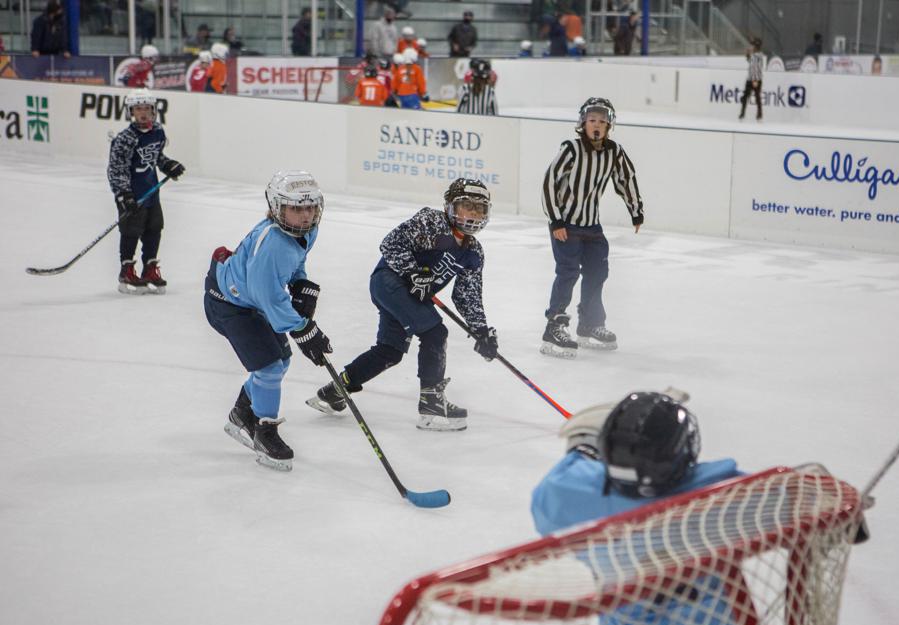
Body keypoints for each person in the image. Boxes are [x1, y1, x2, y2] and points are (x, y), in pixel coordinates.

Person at [531, 391, 748, 625]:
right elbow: (794, 498)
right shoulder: (721, 495)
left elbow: (567, 477)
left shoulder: (572, 499)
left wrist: (583, 443)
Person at [306, 179, 498, 432]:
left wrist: (481, 330)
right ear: (450, 206)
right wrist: (413, 272)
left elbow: (467, 296)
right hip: (389, 282)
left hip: (409, 296)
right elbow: (392, 243)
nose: (473, 213)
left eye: (479, 208)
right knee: (435, 332)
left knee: (390, 351)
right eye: (466, 205)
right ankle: (431, 402)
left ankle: (334, 391)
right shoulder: (432, 222)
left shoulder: (474, 253)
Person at [205, 170, 333, 471]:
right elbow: (269, 298)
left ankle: (241, 414)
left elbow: (295, 263)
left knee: (281, 362)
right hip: (230, 304)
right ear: (277, 207)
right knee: (269, 367)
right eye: (296, 208)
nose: (305, 215)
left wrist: (300, 283)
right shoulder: (272, 243)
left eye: (310, 207)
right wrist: (304, 330)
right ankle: (265, 430)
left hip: (249, 299)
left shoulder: (305, 232)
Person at [540, 97, 643, 359]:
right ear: (582, 123)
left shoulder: (614, 151)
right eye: (591, 120)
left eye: (602, 121)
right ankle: (555, 325)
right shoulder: (571, 149)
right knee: (568, 273)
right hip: (567, 225)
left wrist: (636, 210)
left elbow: (626, 179)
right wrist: (556, 220)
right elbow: (549, 182)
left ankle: (590, 323)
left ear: (609, 125)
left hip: (592, 227)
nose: (596, 125)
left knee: (598, 272)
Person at [106, 89, 186, 294]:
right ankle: (127, 270)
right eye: (137, 109)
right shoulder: (126, 138)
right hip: (132, 195)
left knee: (154, 228)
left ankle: (150, 268)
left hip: (151, 193)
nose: (142, 113)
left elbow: (157, 158)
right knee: (131, 231)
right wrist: (124, 195)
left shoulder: (158, 132)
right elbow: (116, 169)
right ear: (131, 112)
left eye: (146, 108)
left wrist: (169, 165)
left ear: (153, 110)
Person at [738, 37, 764, 122]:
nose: (751, 47)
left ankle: (759, 115)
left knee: (757, 97)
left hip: (755, 79)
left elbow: (752, 62)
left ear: (756, 47)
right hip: (750, 78)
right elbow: (749, 60)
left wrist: (748, 54)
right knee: (746, 96)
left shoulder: (758, 55)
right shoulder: (755, 55)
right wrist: (748, 54)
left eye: (753, 46)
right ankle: (742, 114)